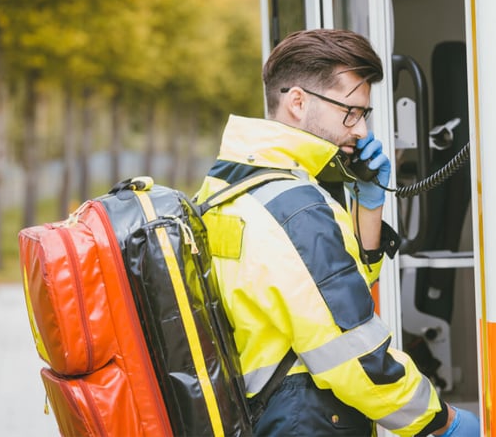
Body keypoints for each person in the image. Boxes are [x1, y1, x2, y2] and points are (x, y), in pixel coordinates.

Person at [195, 29, 480, 436]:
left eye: (364, 115)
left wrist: (368, 203)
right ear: (298, 102)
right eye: (352, 112)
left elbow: (333, 300)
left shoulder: (231, 182)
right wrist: (441, 421)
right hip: (303, 420)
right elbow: (353, 355)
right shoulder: (293, 207)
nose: (361, 130)